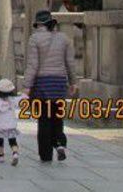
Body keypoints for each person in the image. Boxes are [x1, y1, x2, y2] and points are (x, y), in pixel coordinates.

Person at [23, 9, 77, 163]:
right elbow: (70, 63)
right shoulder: (64, 38)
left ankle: (46, 155)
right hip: (59, 84)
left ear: (38, 24)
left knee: (44, 119)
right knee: (58, 117)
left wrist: (27, 86)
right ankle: (60, 144)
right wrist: (73, 82)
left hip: (42, 85)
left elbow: (33, 65)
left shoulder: (34, 39)